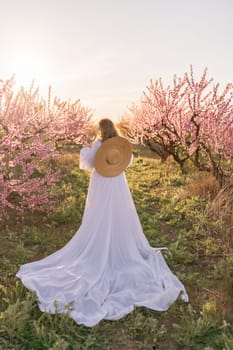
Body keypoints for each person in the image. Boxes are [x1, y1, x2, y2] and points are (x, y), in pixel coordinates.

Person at [16, 118, 188, 327]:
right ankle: (119, 241)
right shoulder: (120, 143)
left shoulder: (98, 145)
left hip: (101, 184)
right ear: (113, 128)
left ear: (101, 129)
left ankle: (102, 242)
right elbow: (128, 161)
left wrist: (86, 148)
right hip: (117, 182)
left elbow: (86, 164)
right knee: (118, 213)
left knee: (100, 214)